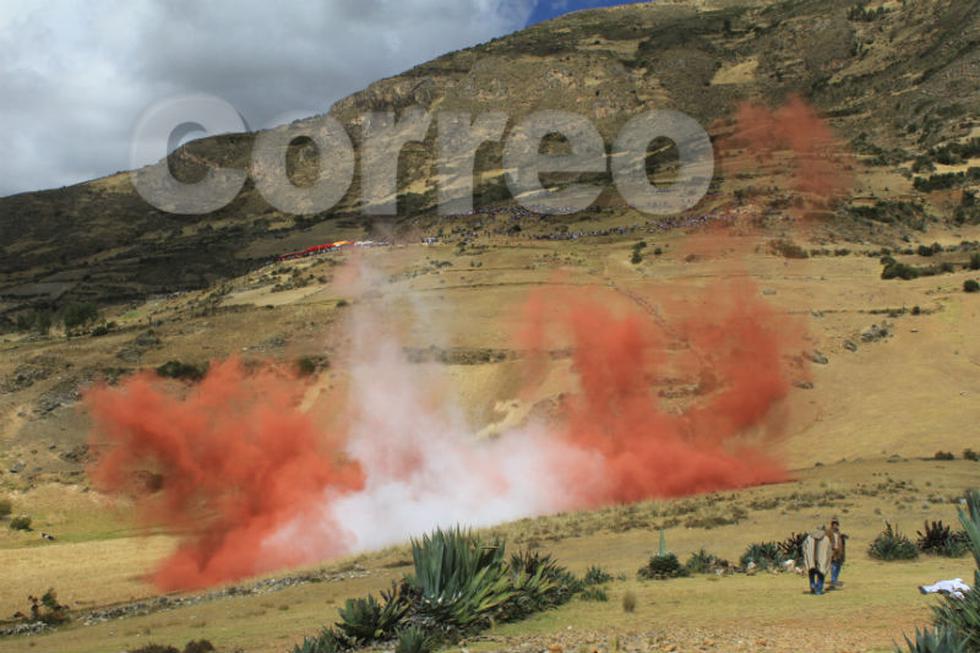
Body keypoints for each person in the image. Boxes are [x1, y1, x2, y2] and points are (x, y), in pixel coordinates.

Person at [802, 526, 832, 595]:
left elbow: (804, 547)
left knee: (811, 573)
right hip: (822, 561)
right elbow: (829, 551)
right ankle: (818, 590)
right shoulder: (826, 539)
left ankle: (812, 587)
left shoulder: (809, 538)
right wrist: (827, 561)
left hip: (811, 561)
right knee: (821, 575)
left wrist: (807, 559)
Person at [829, 516, 846, 588]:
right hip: (832, 551)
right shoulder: (829, 532)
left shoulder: (839, 533)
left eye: (836, 524)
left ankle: (835, 579)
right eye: (834, 524)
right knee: (833, 567)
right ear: (832, 525)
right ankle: (833, 581)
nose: (835, 525)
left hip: (839, 551)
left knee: (838, 566)